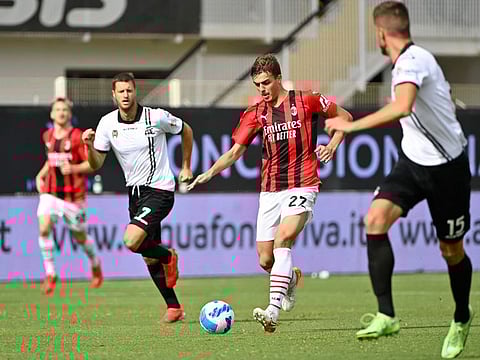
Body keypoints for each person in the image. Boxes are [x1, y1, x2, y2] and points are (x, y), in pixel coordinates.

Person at [325, 2, 473, 358]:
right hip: (412, 162)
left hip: (448, 169)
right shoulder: (407, 62)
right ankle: (386, 314)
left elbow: (403, 106)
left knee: (450, 250)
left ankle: (461, 315)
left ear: (381, 33)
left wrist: (350, 125)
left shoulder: (413, 60)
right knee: (374, 220)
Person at [187, 54, 353, 332]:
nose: (262, 89)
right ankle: (289, 279)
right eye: (257, 85)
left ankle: (272, 311)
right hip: (270, 190)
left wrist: (333, 144)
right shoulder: (255, 113)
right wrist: (208, 173)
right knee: (266, 259)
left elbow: (344, 117)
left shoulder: (306, 100)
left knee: (283, 239)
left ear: (278, 78)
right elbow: (234, 152)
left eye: (266, 82)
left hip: (304, 182)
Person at [82, 72, 193, 323]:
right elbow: (96, 163)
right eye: (120, 91)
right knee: (147, 255)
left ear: (135, 91)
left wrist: (185, 166)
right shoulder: (107, 124)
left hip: (160, 190)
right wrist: (88, 147)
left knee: (132, 240)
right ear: (114, 95)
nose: (125, 95)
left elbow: (186, 130)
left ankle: (169, 256)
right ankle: (174, 307)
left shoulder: (156, 117)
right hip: (135, 193)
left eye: (129, 90)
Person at [36, 97, 103, 295]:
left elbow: (92, 164)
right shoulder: (47, 136)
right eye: (58, 109)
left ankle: (95, 263)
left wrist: (73, 167)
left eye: (65, 110)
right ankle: (50, 274)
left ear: (69, 114)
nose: (61, 113)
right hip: (51, 194)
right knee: (44, 227)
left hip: (74, 198)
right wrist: (40, 175)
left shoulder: (77, 136)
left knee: (80, 237)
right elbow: (51, 161)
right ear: (52, 114)